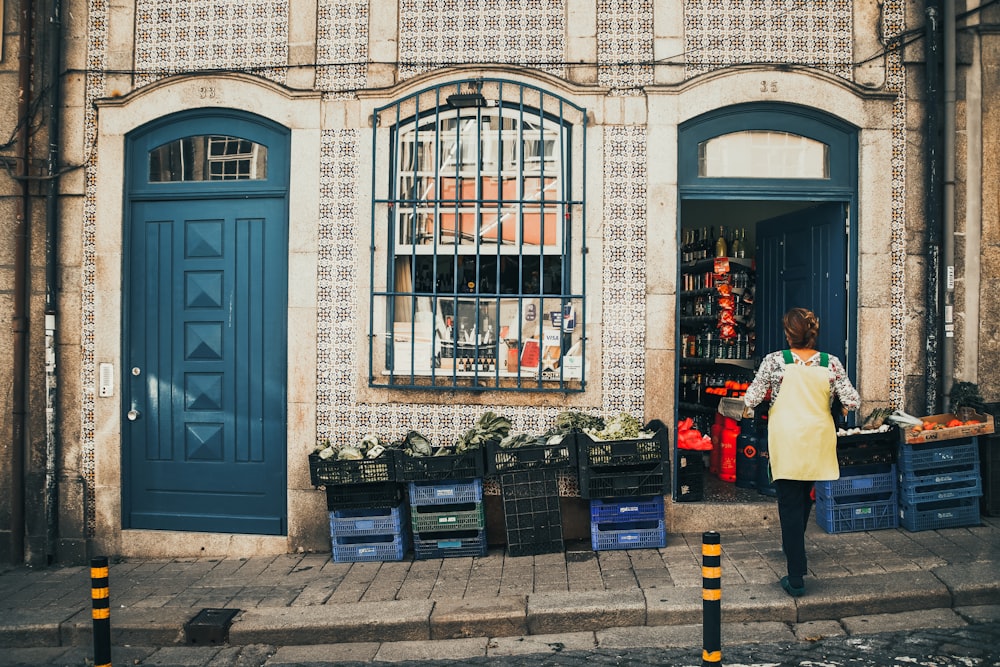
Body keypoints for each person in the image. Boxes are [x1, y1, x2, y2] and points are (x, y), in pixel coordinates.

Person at [742, 307, 860, 597]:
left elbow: (752, 397)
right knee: (804, 493)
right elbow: (853, 401)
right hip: (818, 437)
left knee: (788, 503)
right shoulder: (830, 363)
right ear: (812, 332)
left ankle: (796, 574)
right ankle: (792, 543)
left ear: (787, 334)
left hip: (787, 438)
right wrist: (838, 405)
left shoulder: (774, 361)